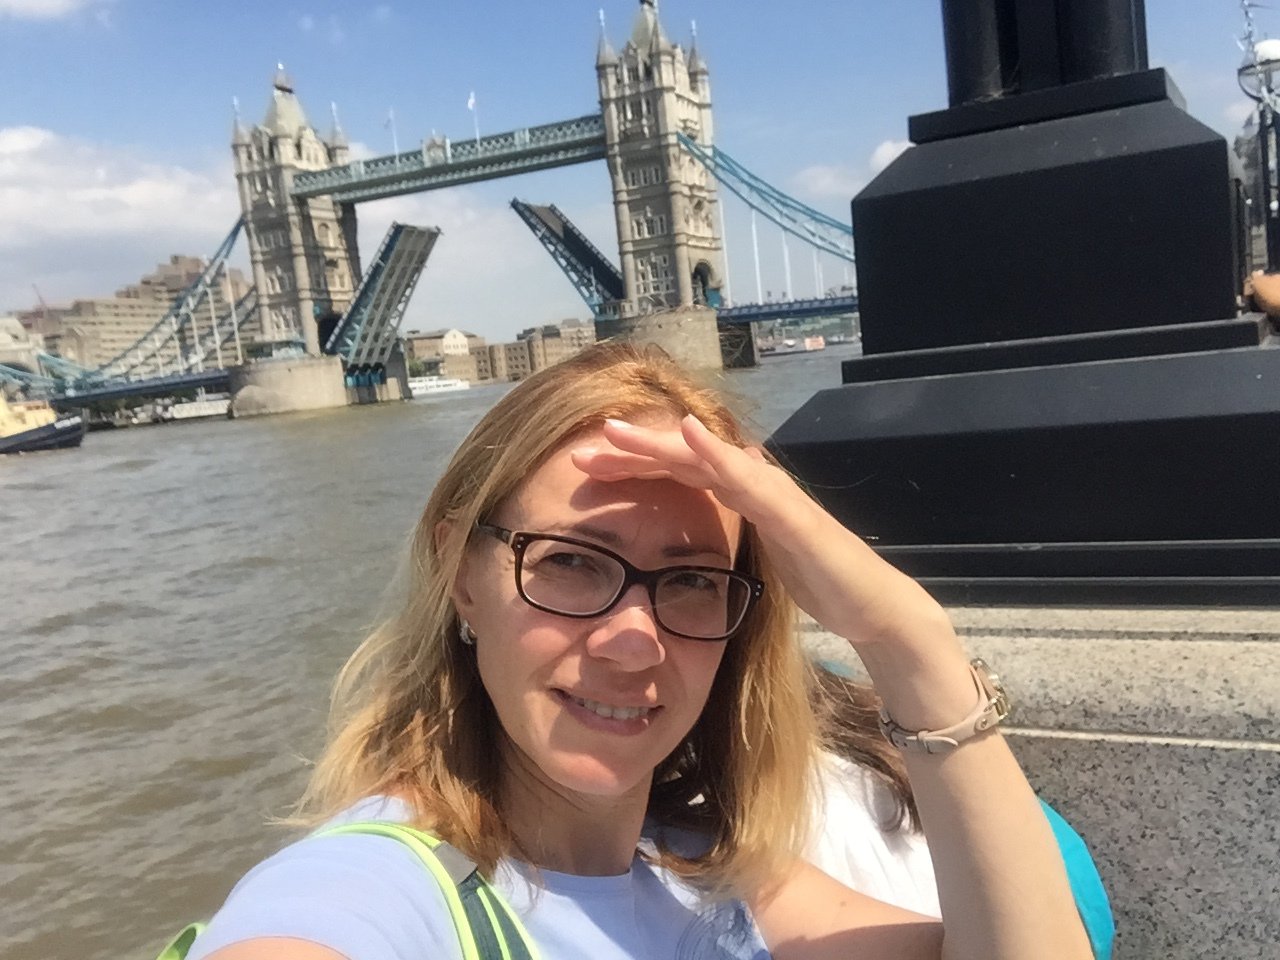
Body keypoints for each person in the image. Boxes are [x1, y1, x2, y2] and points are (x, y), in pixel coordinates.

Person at [187, 341, 1093, 960]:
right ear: (460, 573)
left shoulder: (703, 873)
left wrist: (906, 638)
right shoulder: (371, 895)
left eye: (693, 578)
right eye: (571, 562)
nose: (633, 641)